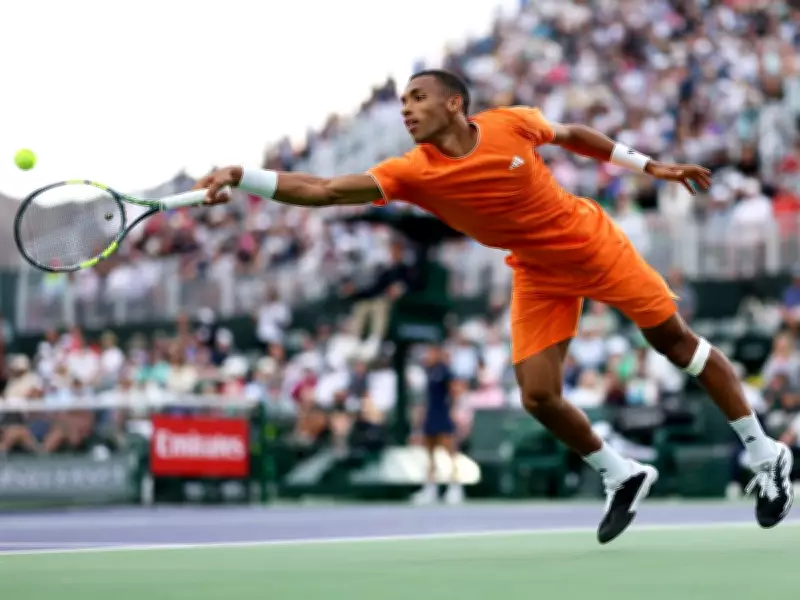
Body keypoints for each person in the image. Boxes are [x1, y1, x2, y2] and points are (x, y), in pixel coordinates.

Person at [195, 69, 793, 544]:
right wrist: (243, 175)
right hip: (536, 272)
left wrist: (646, 165)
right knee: (538, 395)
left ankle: (765, 454)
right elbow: (323, 190)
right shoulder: (411, 172)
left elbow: (572, 134)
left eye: (418, 98)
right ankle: (622, 473)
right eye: (403, 103)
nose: (406, 110)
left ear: (454, 104)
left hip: (592, 245)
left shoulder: (511, 124)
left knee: (674, 344)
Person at [411, 344, 462, 506]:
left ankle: (455, 488)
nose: (428, 355)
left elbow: (455, 390)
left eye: (431, 352)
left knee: (450, 452)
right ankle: (430, 489)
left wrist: (453, 410)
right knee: (430, 454)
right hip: (431, 414)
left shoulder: (446, 371)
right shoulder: (428, 371)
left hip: (443, 414)